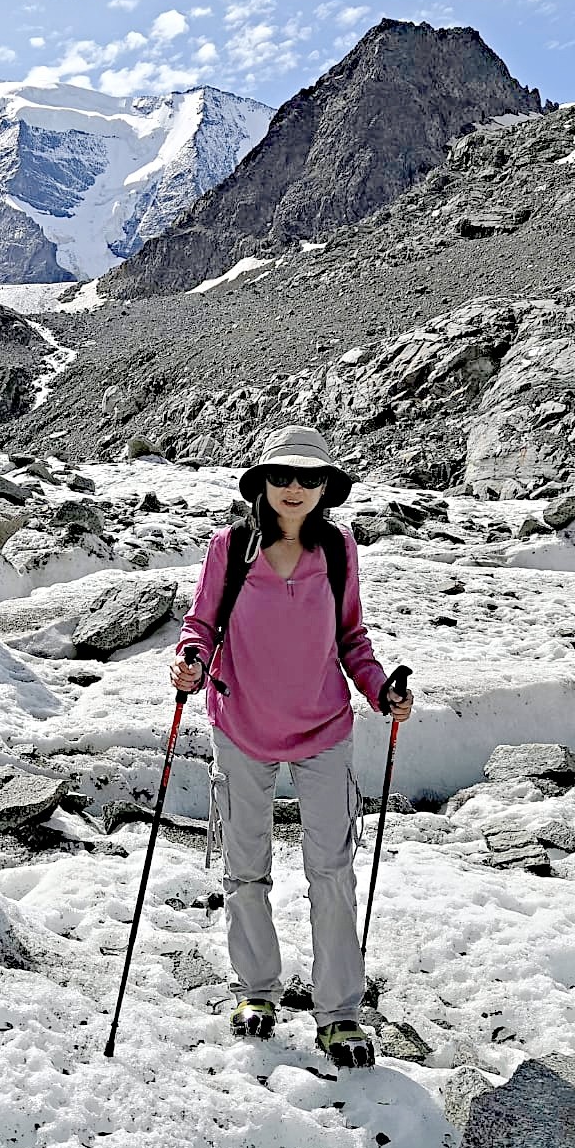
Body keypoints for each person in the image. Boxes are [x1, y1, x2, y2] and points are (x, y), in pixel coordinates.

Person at [171, 423, 413, 1069]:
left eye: (309, 478)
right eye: (282, 475)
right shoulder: (232, 545)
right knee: (244, 868)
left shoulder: (337, 550)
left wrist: (377, 689)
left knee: (330, 872)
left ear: (327, 487)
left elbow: (351, 639)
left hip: (323, 727)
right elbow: (200, 624)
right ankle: (256, 992)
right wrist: (190, 658)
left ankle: (339, 1015)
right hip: (240, 723)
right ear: (261, 482)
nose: (295, 487)